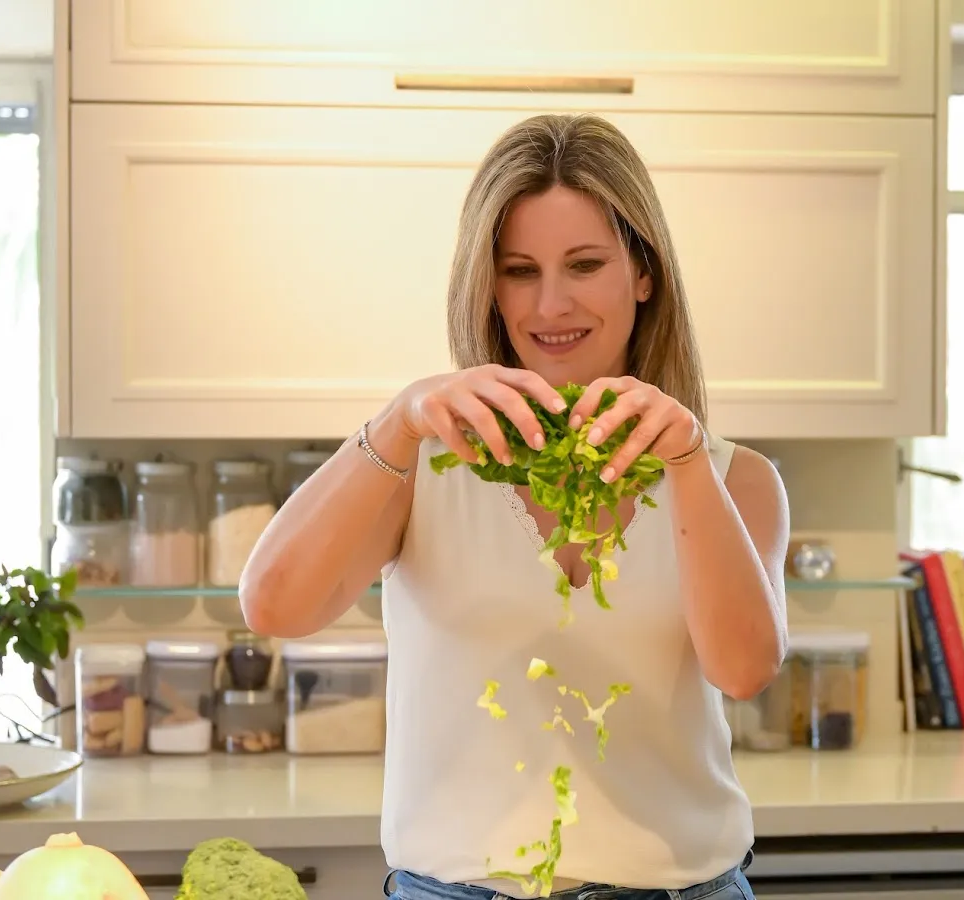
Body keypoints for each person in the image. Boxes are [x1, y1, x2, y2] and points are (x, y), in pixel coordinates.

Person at [238, 112, 791, 900]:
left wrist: (687, 461)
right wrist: (396, 419)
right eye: (520, 270)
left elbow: (742, 670)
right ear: (487, 287)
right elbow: (273, 605)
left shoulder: (735, 479)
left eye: (585, 264)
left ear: (644, 273)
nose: (551, 304)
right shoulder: (421, 461)